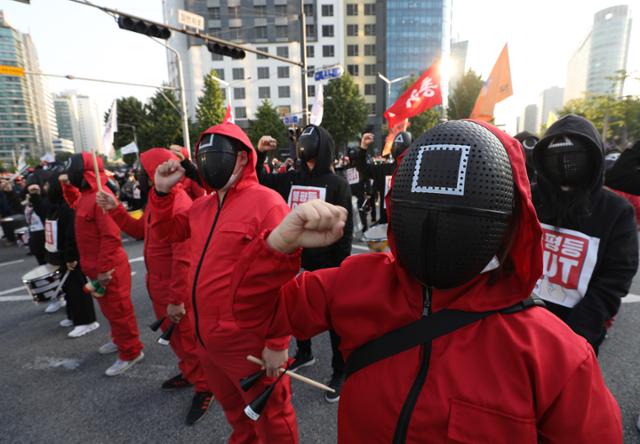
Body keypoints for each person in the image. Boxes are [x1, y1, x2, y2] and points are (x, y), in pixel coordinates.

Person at [231, 119, 622, 443]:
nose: (437, 223)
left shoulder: (554, 354)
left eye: (456, 212)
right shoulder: (357, 284)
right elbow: (252, 316)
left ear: (507, 221)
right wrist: (277, 246)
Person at [151, 122, 298, 443]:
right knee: (235, 413)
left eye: (217, 155)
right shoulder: (201, 206)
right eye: (204, 157)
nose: (208, 163)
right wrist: (162, 192)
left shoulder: (268, 203)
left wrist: (277, 343)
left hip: (249, 343)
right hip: (207, 341)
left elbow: (283, 279)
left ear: (244, 159)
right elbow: (168, 233)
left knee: (272, 418)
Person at [96, 148, 213, 426]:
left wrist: (176, 298)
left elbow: (183, 257)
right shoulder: (160, 199)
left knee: (187, 340)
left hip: (173, 289)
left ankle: (205, 386)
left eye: (141, 169)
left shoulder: (178, 202)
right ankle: (190, 373)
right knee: (176, 340)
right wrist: (115, 210)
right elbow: (140, 232)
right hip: (158, 285)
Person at [255, 125, 353, 402]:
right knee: (293, 310)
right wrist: (261, 155)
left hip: (328, 266)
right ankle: (305, 352)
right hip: (294, 261)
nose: (303, 144)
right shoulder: (291, 177)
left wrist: (341, 270)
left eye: (310, 140)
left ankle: (340, 369)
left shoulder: (338, 184)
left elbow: (344, 234)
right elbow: (261, 180)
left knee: (335, 321)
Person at [531, 115, 639, 354]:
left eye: (575, 157)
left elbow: (615, 279)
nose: (565, 164)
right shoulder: (529, 199)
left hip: (576, 337)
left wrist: (576, 335)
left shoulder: (615, 211)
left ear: (594, 159)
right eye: (554, 157)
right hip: (518, 326)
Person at [60, 152, 144, 376]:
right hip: (95, 268)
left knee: (120, 312)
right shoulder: (88, 196)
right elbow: (74, 203)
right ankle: (119, 341)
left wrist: (105, 269)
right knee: (110, 311)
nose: (70, 175)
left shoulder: (101, 197)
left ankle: (131, 352)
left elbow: (110, 236)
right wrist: (67, 186)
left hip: (108, 268)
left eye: (72, 173)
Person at [42, 171, 99, 337]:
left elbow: (71, 233)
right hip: (61, 256)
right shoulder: (55, 206)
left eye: (48, 184)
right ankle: (74, 316)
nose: (45, 187)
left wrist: (71, 257)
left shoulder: (68, 207)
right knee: (68, 288)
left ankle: (87, 321)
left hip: (71, 257)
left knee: (78, 288)